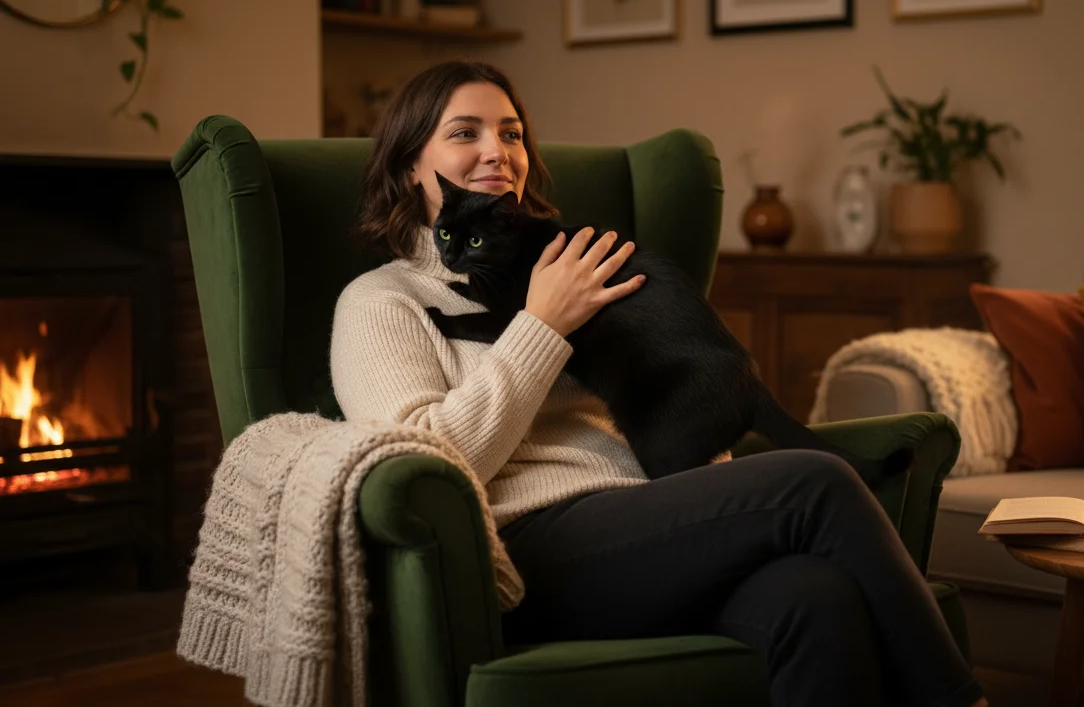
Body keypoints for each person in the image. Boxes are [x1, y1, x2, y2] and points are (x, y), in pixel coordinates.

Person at [330, 60, 987, 707]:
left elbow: (662, 390)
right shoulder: (383, 301)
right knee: (816, 481)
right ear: (410, 163)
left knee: (814, 595)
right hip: (521, 553)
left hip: (652, 525)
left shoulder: (566, 263)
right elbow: (424, 458)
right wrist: (542, 324)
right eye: (465, 132)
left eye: (510, 132)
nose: (497, 151)